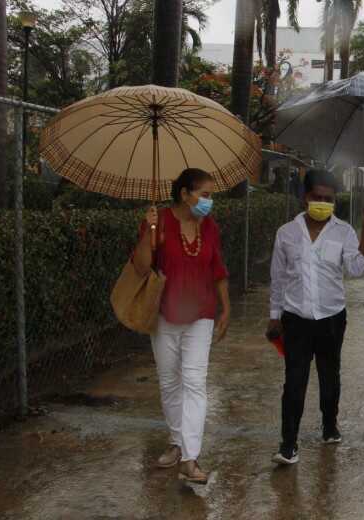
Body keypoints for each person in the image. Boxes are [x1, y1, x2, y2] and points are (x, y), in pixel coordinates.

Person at [267, 169, 364, 465]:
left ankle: (330, 425)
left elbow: (356, 269)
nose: (323, 203)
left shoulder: (344, 232)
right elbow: (277, 278)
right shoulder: (286, 233)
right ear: (306, 198)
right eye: (317, 197)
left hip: (331, 318)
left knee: (330, 377)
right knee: (294, 381)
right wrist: (274, 316)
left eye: (328, 199)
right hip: (295, 319)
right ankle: (288, 444)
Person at [132, 168, 231, 484]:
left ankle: (190, 458)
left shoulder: (210, 227)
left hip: (201, 313)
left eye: (211, 195)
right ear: (185, 194)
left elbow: (218, 268)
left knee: (194, 381)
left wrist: (226, 308)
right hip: (164, 314)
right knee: (169, 381)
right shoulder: (158, 220)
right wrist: (149, 231)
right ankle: (176, 441)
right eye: (204, 194)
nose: (209, 201)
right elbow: (140, 266)